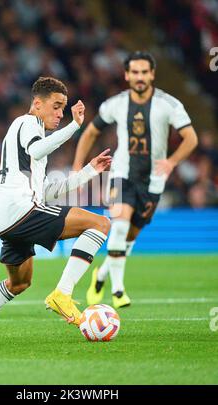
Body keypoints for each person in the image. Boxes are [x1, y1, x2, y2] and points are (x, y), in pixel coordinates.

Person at [0, 77, 112, 341]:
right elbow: (38, 148)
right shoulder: (27, 123)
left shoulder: (28, 142)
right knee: (100, 224)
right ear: (37, 104)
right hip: (19, 209)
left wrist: (90, 170)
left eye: (63, 108)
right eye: (56, 106)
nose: (59, 113)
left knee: (19, 283)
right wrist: (74, 127)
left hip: (7, 216)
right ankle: (62, 294)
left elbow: (48, 192)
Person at [72, 51, 198, 309]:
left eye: (144, 72)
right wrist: (77, 167)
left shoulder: (169, 104)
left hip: (153, 181)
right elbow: (91, 132)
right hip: (122, 175)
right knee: (118, 227)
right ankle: (118, 291)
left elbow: (191, 138)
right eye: (135, 72)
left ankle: (102, 274)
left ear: (151, 74)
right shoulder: (115, 104)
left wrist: (172, 162)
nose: (140, 77)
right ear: (127, 75)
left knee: (129, 237)